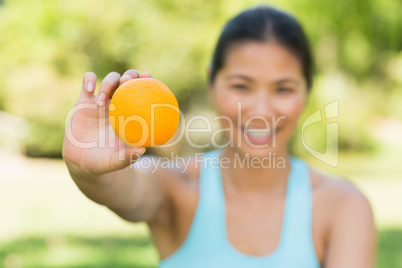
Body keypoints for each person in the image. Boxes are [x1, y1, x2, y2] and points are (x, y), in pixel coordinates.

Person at [63, 5, 376, 268]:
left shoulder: (343, 206)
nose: (261, 110)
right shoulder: (176, 185)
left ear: (306, 92)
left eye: (283, 88)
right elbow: (126, 189)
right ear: (212, 84)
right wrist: (85, 170)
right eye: (241, 86)